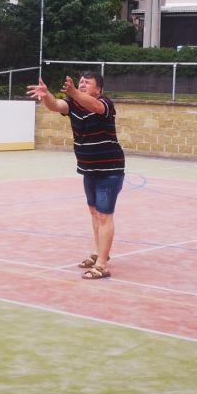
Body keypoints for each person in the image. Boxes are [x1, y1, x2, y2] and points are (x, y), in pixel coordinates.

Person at [27, 71, 125, 279]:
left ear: (98, 89)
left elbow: (95, 106)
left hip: (109, 169)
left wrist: (73, 92)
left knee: (104, 215)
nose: (82, 84)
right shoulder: (73, 104)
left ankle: (101, 265)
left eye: (87, 82)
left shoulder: (105, 104)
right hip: (88, 169)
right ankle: (98, 252)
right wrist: (46, 95)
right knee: (94, 213)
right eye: (80, 82)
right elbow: (56, 105)